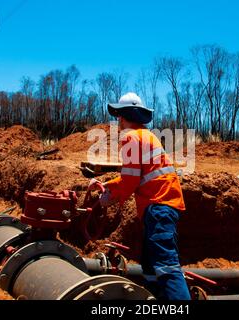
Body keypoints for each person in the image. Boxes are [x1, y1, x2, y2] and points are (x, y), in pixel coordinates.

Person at [89, 92, 191, 300]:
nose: (118, 121)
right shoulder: (146, 135)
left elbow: (130, 180)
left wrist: (109, 198)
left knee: (166, 266)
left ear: (123, 117)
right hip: (163, 204)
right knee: (150, 264)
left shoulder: (130, 137)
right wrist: (106, 185)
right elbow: (134, 176)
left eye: (118, 116)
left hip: (159, 206)